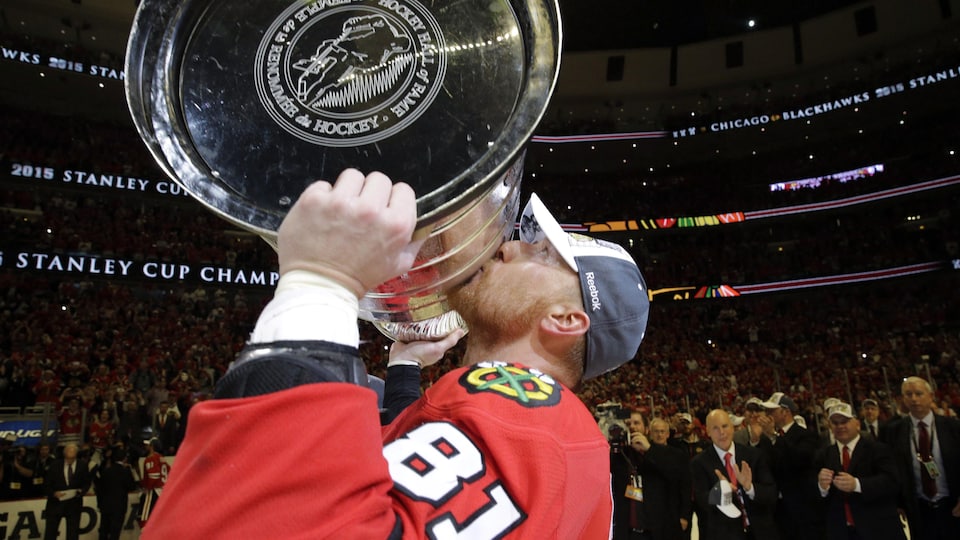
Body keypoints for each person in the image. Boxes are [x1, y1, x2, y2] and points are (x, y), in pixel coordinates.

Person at [139, 169, 650, 538]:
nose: (507, 246)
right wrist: (405, 370)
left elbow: (265, 521)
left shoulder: (530, 415)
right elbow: (391, 484)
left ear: (564, 320)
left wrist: (321, 283)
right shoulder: (538, 422)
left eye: (541, 254)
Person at [882, 376, 960, 540]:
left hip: (953, 505)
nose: (914, 399)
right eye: (908, 394)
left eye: (919, 393)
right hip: (917, 508)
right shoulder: (893, 432)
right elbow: (890, 470)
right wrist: (897, 503)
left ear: (931, 396)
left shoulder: (952, 427)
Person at [814, 402, 906, 540]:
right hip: (841, 531)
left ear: (857, 423)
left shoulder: (878, 449)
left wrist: (857, 484)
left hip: (878, 529)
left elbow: (892, 482)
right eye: (835, 422)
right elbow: (813, 496)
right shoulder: (823, 455)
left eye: (845, 421)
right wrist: (821, 488)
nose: (840, 426)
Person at [691, 409, 779, 540]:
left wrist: (750, 488)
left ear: (732, 427)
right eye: (715, 428)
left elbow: (771, 493)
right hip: (724, 534)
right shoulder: (699, 463)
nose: (722, 432)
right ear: (708, 432)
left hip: (760, 532)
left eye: (725, 426)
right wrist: (720, 492)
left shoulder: (753, 455)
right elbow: (701, 501)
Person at [754, 392, 822, 540]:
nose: (767, 414)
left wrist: (774, 436)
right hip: (777, 508)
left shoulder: (805, 435)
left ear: (785, 412)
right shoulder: (768, 439)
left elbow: (800, 459)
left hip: (802, 507)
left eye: (772, 411)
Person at [43, 442, 92, 540]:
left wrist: (81, 491)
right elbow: (46, 484)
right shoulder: (55, 465)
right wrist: (53, 493)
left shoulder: (82, 465)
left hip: (74, 505)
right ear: (64, 455)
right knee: (50, 533)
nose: (70, 461)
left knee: (73, 534)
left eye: (72, 458)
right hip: (56, 504)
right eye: (68, 458)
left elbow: (87, 482)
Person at [94, 446, 138, 540]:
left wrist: (100, 504)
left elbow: (99, 489)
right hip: (119, 506)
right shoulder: (125, 471)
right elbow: (132, 487)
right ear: (124, 458)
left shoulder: (106, 471)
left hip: (105, 506)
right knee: (115, 532)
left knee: (104, 531)